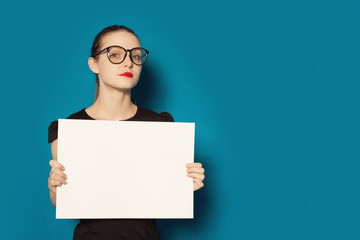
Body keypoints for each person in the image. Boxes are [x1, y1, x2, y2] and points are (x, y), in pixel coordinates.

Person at [47, 25, 205, 240]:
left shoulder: (161, 126)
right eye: (115, 54)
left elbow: (165, 194)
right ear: (94, 64)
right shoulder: (69, 128)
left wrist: (186, 184)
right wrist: (56, 187)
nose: (128, 62)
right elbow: (63, 201)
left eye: (136, 56)